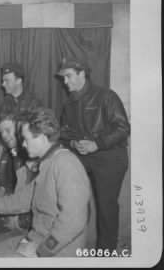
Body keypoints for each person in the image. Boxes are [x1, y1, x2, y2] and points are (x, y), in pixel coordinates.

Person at [0, 108, 91, 257]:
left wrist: (42, 251)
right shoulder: (47, 163)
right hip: (35, 239)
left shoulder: (66, 163)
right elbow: (17, 201)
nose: (22, 144)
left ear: (42, 139)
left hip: (56, 251)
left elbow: (74, 221)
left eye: (26, 139)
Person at [57, 56, 130, 251]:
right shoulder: (70, 104)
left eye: (68, 76)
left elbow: (123, 128)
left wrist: (96, 144)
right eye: (63, 77)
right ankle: (70, 247)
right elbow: (64, 134)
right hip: (83, 156)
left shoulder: (106, 96)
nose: (65, 82)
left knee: (106, 207)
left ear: (82, 74)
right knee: (71, 199)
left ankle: (106, 252)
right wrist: (72, 142)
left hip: (110, 156)